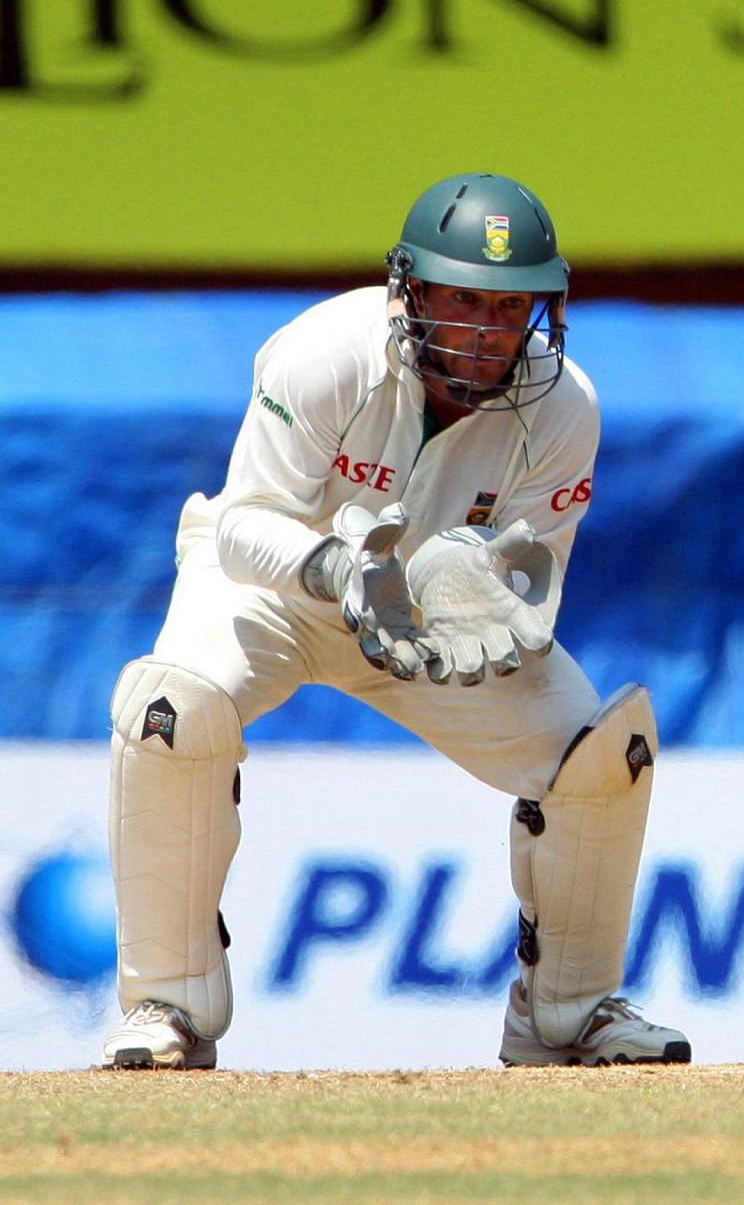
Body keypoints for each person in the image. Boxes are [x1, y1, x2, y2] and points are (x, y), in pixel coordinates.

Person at [101, 173, 689, 1070]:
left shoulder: (566, 406)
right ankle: (166, 1009)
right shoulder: (324, 353)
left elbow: (540, 578)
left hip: (431, 624)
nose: (486, 331)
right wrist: (338, 570)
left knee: (601, 754)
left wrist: (482, 600)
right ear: (408, 289)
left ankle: (568, 1014)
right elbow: (247, 520)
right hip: (275, 591)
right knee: (170, 712)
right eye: (461, 299)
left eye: (508, 305)